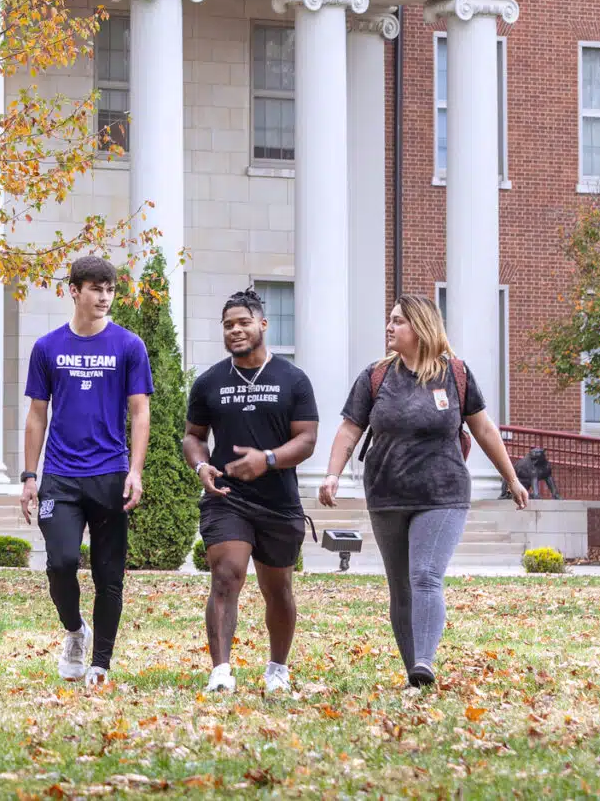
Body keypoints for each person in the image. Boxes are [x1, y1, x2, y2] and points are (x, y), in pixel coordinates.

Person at [319, 295, 530, 691]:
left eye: (397, 321)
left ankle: (424, 661)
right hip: (386, 493)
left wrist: (512, 478)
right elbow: (350, 428)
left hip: (442, 494)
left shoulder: (455, 374)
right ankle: (414, 674)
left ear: (420, 327)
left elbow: (484, 430)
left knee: (426, 575)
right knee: (400, 586)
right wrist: (332, 474)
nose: (389, 327)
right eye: (389, 320)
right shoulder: (375, 377)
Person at [18, 253, 151, 688]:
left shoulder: (129, 346)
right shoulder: (48, 347)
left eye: (110, 289)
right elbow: (37, 415)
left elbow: (140, 411)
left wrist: (135, 470)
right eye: (96, 288)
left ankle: (100, 664)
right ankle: (75, 632)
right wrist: (28, 476)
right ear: (73, 290)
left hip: (111, 472)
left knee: (109, 575)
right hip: (61, 473)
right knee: (60, 563)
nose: (104, 297)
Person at [183, 288, 319, 695]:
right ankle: (221, 671)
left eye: (243, 322)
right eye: (228, 325)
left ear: (263, 324)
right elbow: (193, 436)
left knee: (277, 588)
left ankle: (277, 668)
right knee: (226, 575)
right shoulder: (209, 382)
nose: (236, 330)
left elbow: (307, 440)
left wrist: (269, 459)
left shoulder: (293, 380)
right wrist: (201, 464)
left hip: (278, 500)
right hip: (227, 498)